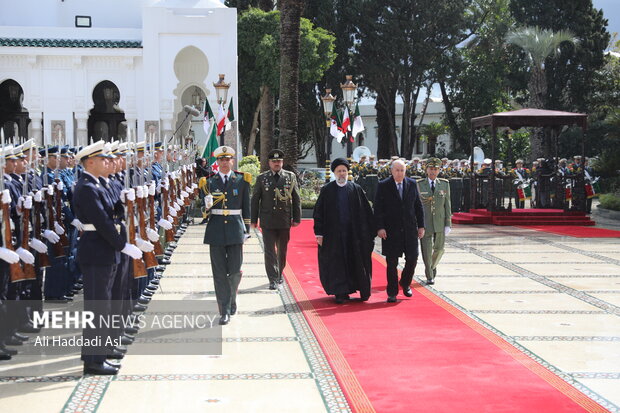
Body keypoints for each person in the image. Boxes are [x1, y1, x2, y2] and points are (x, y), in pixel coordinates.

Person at [73, 140, 143, 375]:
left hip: (105, 251)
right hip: (96, 251)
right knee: (97, 309)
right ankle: (92, 361)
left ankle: (101, 353)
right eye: (103, 159)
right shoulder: (86, 187)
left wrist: (125, 201)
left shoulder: (97, 185)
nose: (108, 162)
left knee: (105, 306)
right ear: (89, 162)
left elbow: (113, 214)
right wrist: (122, 245)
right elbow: (102, 222)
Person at [313, 158, 374, 304]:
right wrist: (319, 233)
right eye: (339, 171)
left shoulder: (356, 189)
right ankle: (340, 292)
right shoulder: (327, 190)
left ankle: (356, 288)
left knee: (355, 261)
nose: (342, 174)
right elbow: (318, 213)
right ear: (334, 173)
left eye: (344, 171)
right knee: (337, 263)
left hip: (353, 235)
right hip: (333, 235)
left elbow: (367, 212)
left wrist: (371, 232)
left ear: (348, 172)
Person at [203, 146, 251, 325]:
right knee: (219, 273)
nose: (224, 163)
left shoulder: (241, 180)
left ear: (232, 161)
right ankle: (224, 309)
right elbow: (204, 211)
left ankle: (232, 299)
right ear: (217, 162)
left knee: (235, 271)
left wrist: (247, 230)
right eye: (221, 160)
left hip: (235, 230)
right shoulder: (208, 182)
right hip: (215, 231)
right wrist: (205, 207)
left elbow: (246, 207)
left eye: (227, 159)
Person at [374, 160, 425, 302]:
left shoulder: (412, 184)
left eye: (402, 170)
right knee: (392, 263)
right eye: (397, 170)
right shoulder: (383, 185)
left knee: (412, 258)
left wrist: (421, 226)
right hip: (391, 231)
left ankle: (405, 283)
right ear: (391, 171)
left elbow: (418, 207)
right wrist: (380, 227)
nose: (400, 173)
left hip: (409, 230)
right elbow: (378, 208)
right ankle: (392, 292)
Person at [251, 149, 301, 290]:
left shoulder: (290, 177)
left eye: (279, 161)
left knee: (282, 250)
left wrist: (297, 218)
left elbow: (296, 198)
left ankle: (280, 275)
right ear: (269, 163)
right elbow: (255, 200)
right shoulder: (262, 178)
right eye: (274, 161)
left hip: (284, 220)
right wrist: (253, 219)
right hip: (267, 220)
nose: (276, 163)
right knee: (269, 251)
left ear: (282, 162)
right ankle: (272, 278)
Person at [418, 158, 452, 285]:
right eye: (431, 169)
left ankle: (431, 266)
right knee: (426, 250)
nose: (433, 171)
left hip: (440, 222)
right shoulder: (419, 184)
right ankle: (429, 275)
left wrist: (448, 223)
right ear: (426, 169)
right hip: (425, 222)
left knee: (439, 249)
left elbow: (447, 204)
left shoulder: (444, 184)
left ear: (439, 170)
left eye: (436, 169)